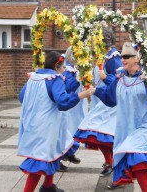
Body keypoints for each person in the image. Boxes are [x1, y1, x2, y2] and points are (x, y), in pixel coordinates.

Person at [92, 42, 147, 191]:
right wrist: (94, 90)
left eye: (127, 56)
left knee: (138, 160)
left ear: (137, 58)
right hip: (127, 128)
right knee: (145, 170)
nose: (123, 59)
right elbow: (110, 99)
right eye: (122, 56)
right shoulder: (119, 78)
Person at [17, 51, 92, 192]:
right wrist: (81, 95)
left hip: (34, 123)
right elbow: (62, 102)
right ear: (56, 66)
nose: (64, 70)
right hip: (47, 125)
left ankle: (48, 186)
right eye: (63, 68)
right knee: (40, 160)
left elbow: (22, 97)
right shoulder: (55, 79)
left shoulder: (34, 77)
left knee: (54, 150)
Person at [74, 26, 122, 177]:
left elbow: (120, 82)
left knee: (100, 134)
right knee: (99, 134)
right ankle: (110, 162)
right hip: (99, 101)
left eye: (96, 40)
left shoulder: (113, 59)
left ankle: (115, 164)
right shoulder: (104, 57)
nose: (94, 44)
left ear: (102, 41)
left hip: (109, 104)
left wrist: (106, 78)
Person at [58, 46, 89, 171]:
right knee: (67, 131)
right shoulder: (68, 71)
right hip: (70, 107)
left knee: (75, 130)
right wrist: (77, 80)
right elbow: (68, 87)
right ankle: (59, 158)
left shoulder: (75, 70)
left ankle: (69, 153)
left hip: (77, 106)